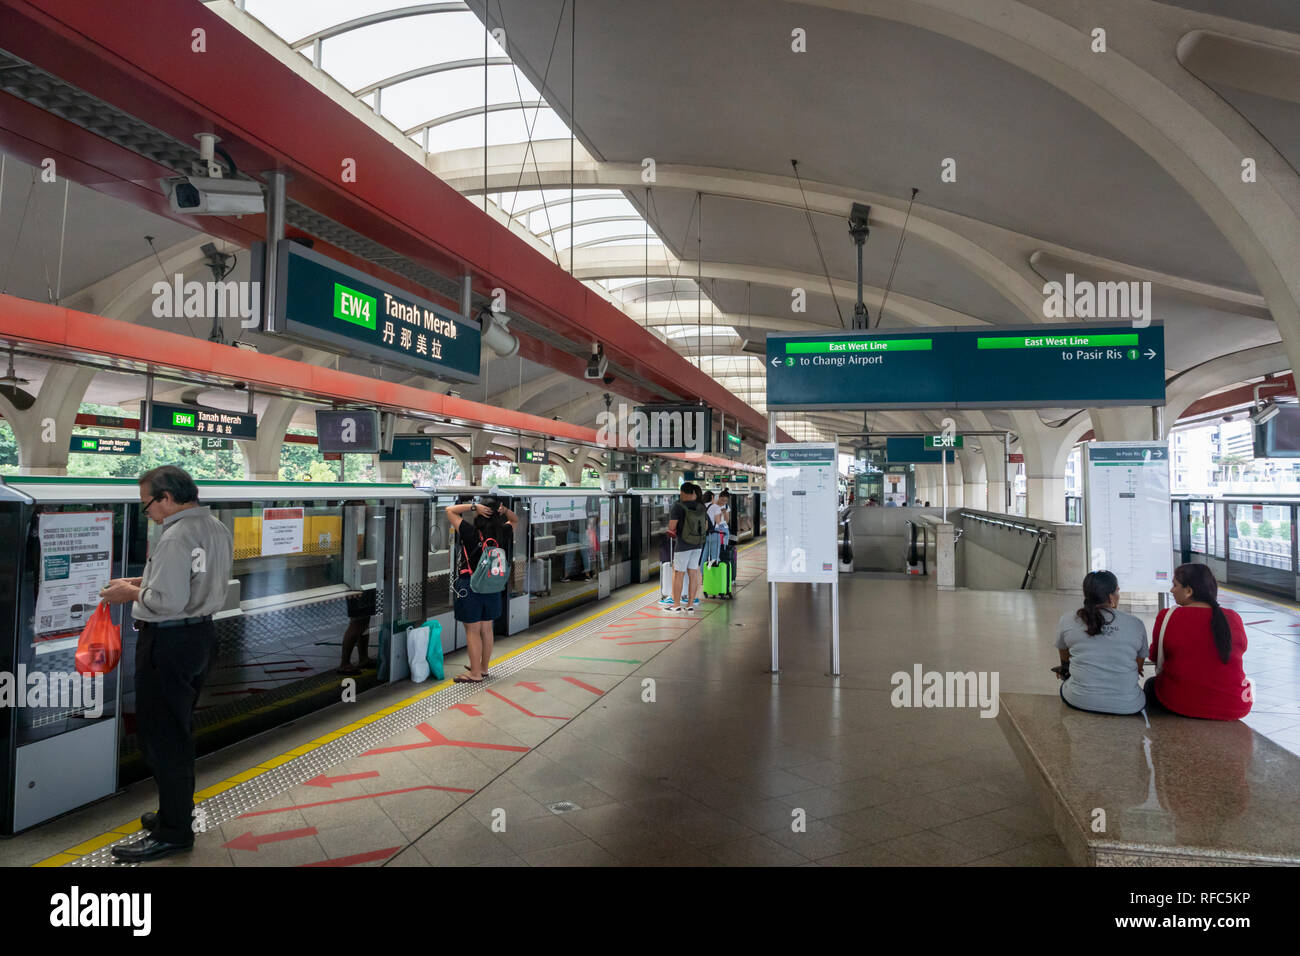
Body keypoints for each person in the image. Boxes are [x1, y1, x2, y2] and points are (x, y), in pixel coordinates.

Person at [99, 466, 233, 862]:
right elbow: (192, 582)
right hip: (200, 638)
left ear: (167, 498)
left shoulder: (175, 535)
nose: (149, 514)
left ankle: (173, 832)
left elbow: (167, 601)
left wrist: (129, 596)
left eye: (147, 506)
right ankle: (173, 813)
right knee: (176, 730)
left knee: (162, 739)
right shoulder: (215, 527)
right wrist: (141, 582)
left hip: (169, 641)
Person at [1146, 563, 1251, 720]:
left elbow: (1154, 656)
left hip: (1180, 703)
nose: (1171, 590)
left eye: (1175, 585)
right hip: (1235, 704)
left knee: (1150, 686)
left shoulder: (1167, 616)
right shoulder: (1232, 617)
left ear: (1189, 591)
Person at [1053, 571, 1147, 715]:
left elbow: (1064, 656)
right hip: (1128, 704)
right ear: (1111, 596)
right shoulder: (1135, 624)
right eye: (1117, 591)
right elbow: (1138, 666)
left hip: (1079, 699)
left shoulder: (1068, 620)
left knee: (1068, 680)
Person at [447, 495, 519, 683]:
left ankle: (475, 674)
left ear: (480, 514)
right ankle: (483, 668)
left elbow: (449, 510)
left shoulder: (470, 531)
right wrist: (505, 511)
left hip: (471, 585)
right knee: (487, 628)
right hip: (493, 586)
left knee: (473, 630)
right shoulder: (503, 532)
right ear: (498, 514)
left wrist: (473, 507)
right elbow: (515, 519)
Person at [667, 482, 709, 613]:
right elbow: (706, 526)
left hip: (683, 544)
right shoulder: (701, 506)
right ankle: (690, 605)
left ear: (683, 493)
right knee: (693, 573)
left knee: (678, 573)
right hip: (698, 544)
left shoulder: (678, 506)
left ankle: (676, 605)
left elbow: (672, 527)